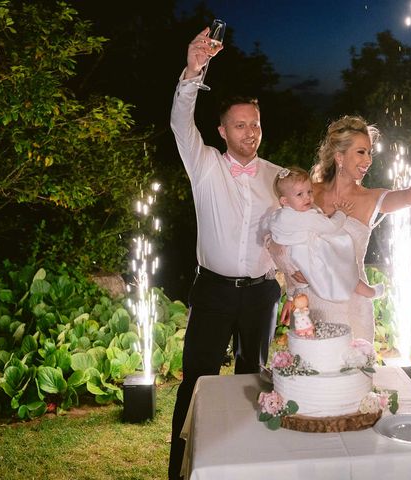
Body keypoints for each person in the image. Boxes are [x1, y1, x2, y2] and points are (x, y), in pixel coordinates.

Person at [168, 27, 281, 479]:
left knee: (254, 382)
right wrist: (194, 71)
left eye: (255, 123)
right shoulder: (204, 165)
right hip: (213, 291)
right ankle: (181, 471)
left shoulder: (276, 176)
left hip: (261, 294)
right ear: (222, 130)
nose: (250, 132)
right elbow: (180, 121)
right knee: (196, 382)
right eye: (240, 125)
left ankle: (246, 468)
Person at [275, 115, 411, 342]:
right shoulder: (308, 193)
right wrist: (293, 281)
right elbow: (282, 238)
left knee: (354, 372)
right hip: (310, 304)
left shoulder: (371, 198)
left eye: (370, 152)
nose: (368, 159)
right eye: (361, 152)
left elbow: (410, 197)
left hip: (354, 306)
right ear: (339, 156)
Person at [268, 166, 384, 304]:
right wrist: (341, 213)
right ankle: (369, 291)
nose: (308, 197)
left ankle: (293, 294)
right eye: (300, 194)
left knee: (338, 270)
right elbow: (330, 226)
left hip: (295, 259)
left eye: (309, 191)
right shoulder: (305, 217)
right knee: (341, 267)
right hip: (309, 255)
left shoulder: (278, 216)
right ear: (285, 201)